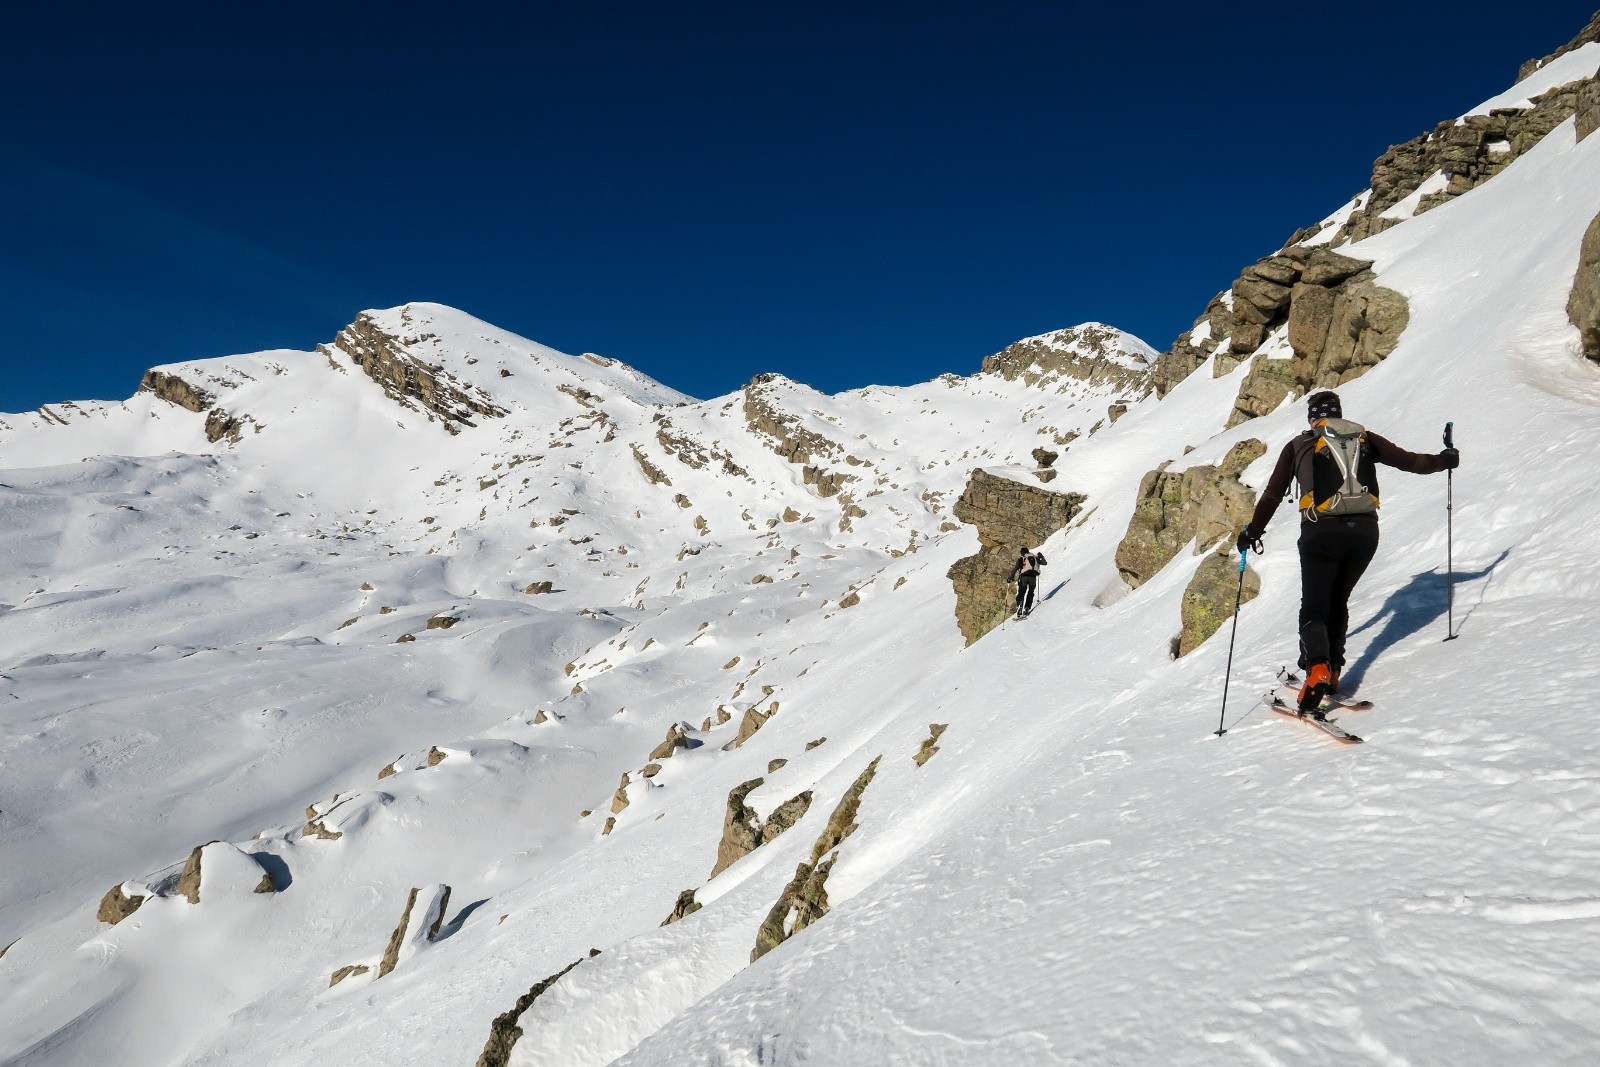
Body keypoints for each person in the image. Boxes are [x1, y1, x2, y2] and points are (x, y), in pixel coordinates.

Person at [1236, 390, 1458, 714]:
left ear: (1313, 418)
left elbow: (1271, 496)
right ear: (1339, 414)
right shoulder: (1365, 438)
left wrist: (1251, 533)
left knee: (1314, 607)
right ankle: (1333, 674)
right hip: (1365, 535)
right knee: (1337, 601)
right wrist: (1447, 459)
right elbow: (1412, 462)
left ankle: (1318, 668)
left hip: (1320, 533)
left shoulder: (1300, 445)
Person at [1008, 547, 1047, 618]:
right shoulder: (1035, 558)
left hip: (1024, 578)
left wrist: (1010, 578)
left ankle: (1020, 605)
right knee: (1030, 592)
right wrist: (1041, 556)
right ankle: (1027, 607)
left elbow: (1015, 569)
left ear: (1022, 553)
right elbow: (1045, 563)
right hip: (1033, 578)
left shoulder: (1022, 559)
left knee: (1022, 592)